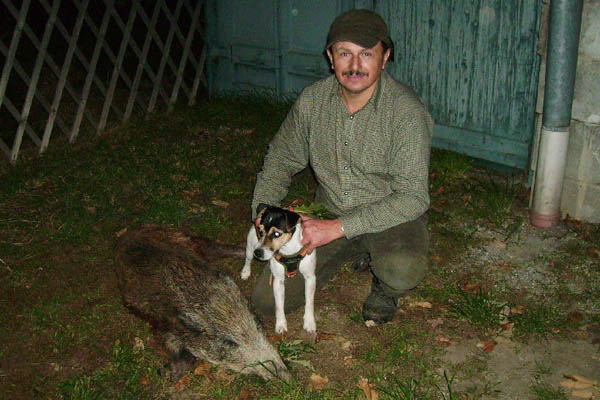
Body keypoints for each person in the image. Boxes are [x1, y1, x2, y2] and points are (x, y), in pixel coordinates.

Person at [250, 9, 433, 324]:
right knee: (265, 302)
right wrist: (261, 211)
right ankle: (353, 249)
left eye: (366, 54)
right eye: (344, 53)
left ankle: (385, 286)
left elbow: (413, 197)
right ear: (330, 57)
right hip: (329, 210)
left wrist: (337, 229)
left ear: (385, 57)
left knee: (402, 269)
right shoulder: (312, 102)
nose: (355, 66)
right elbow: (280, 158)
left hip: (390, 214)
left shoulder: (406, 112)